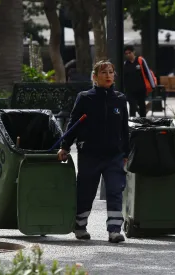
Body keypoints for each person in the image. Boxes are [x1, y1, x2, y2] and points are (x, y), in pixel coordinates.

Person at [58, 60, 130, 243]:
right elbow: (73, 124)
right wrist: (65, 146)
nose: (108, 75)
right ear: (95, 77)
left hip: (114, 155)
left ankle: (114, 230)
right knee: (86, 191)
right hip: (89, 154)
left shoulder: (120, 99)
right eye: (103, 72)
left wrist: (126, 154)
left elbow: (124, 129)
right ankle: (80, 225)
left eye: (111, 72)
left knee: (115, 190)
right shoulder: (85, 98)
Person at [123, 45, 156, 117]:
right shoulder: (125, 64)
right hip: (130, 90)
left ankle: (143, 121)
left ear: (133, 52)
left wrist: (152, 85)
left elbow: (147, 72)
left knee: (142, 106)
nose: (128, 55)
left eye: (129, 53)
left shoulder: (140, 60)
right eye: (126, 54)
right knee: (132, 106)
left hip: (141, 88)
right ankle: (132, 122)